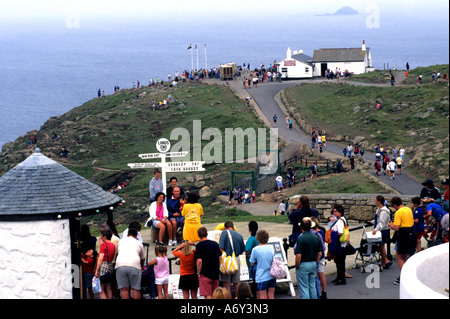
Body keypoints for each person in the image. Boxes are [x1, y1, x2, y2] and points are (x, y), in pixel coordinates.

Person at [388, 197, 415, 285]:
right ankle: (410, 273)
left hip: (403, 234)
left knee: (399, 256)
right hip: (411, 232)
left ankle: (404, 276)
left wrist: (390, 225)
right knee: (405, 256)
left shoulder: (398, 212)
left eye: (393, 205)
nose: (393, 207)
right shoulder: (408, 209)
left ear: (395, 204)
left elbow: (396, 228)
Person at [295, 218, 322, 299]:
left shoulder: (301, 238)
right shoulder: (316, 237)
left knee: (304, 287)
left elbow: (298, 255)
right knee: (312, 286)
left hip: (303, 264)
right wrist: (316, 262)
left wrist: (297, 265)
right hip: (313, 263)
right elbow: (320, 253)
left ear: (301, 228)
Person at [115, 228, 145, 299]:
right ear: (136, 236)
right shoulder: (139, 243)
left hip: (120, 265)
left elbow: (117, 254)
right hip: (134, 265)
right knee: (135, 289)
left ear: (128, 234)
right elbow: (142, 258)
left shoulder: (120, 242)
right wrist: (141, 266)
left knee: (125, 289)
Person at [219, 221, 245, 299]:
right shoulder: (239, 235)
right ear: (233, 227)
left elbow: (220, 247)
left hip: (227, 260)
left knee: (226, 284)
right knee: (236, 283)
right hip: (236, 260)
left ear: (224, 228)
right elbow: (242, 250)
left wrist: (224, 256)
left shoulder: (224, 233)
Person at [195, 227, 222, 299]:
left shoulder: (199, 246)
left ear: (198, 235)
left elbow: (199, 261)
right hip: (215, 273)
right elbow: (220, 257)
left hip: (205, 274)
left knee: (207, 295)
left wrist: (198, 273)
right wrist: (218, 267)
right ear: (207, 234)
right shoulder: (215, 244)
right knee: (215, 295)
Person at [249, 230, 276, 299]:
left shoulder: (255, 249)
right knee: (271, 295)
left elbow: (251, 262)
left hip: (261, 276)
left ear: (257, 238)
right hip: (272, 274)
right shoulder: (271, 247)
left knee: (262, 295)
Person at [328, 205, 348, 285]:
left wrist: (332, 232)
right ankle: (339, 277)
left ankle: (341, 279)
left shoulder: (340, 221)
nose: (334, 213)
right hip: (342, 244)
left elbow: (340, 232)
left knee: (339, 262)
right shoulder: (343, 219)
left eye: (336, 211)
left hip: (339, 244)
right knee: (340, 261)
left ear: (340, 212)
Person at [371, 195, 393, 269]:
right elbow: (378, 220)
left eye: (375, 200)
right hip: (381, 230)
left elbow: (382, 222)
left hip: (383, 230)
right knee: (380, 246)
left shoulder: (383, 211)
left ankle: (385, 261)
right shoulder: (379, 210)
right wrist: (372, 222)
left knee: (381, 246)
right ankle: (384, 261)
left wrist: (375, 230)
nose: (375, 201)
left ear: (379, 201)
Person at [95, 228, 116, 299]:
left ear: (104, 236)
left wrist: (96, 270)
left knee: (101, 289)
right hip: (110, 265)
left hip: (104, 266)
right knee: (108, 287)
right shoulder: (113, 245)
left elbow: (100, 258)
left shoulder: (104, 245)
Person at [245, 221, 259, 297]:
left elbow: (247, 249)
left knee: (254, 281)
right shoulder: (258, 237)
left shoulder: (251, 239)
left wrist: (250, 257)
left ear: (249, 229)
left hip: (253, 265)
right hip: (260, 263)